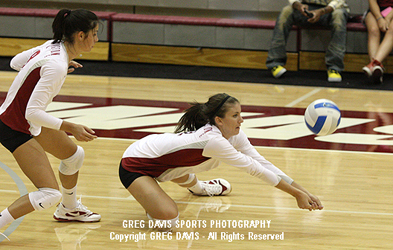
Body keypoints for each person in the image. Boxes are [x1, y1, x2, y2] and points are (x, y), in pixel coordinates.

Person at [119, 93, 323, 230]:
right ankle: (150, 198)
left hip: (165, 164)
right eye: (235, 115)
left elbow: (264, 164)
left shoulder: (234, 134)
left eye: (240, 114)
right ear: (219, 120)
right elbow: (256, 170)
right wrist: (296, 195)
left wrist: (304, 191)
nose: (241, 120)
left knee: (180, 167)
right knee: (168, 220)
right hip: (135, 165)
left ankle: (199, 187)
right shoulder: (213, 140)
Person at [0, 8, 101, 238]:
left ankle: (69, 208)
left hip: (22, 120)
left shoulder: (52, 47)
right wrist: (71, 127)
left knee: (74, 156)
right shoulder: (56, 64)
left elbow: (16, 62)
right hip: (15, 127)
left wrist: (46, 69)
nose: (96, 39)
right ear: (80, 36)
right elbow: (33, 112)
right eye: (94, 34)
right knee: (49, 194)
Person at [266, 0, 350, 82]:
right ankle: (275, 63)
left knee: (339, 16)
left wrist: (321, 11)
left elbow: (338, 2)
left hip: (331, 9)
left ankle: (334, 68)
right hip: (306, 8)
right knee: (286, 11)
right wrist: (299, 6)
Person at [362, 0, 393, 83]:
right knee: (373, 30)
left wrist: (387, 18)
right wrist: (379, 18)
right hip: (376, 11)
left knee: (392, 30)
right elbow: (372, 2)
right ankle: (376, 69)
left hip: (391, 12)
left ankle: (374, 65)